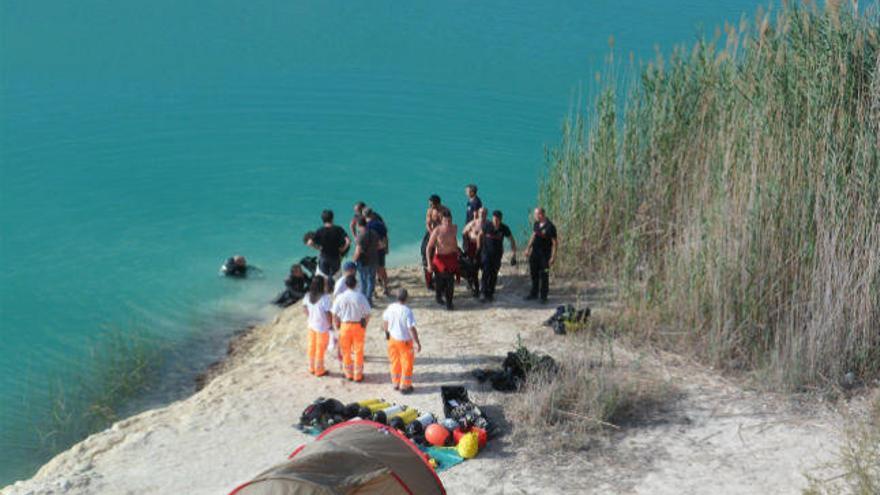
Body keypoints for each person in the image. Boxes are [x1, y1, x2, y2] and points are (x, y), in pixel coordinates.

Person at [331, 275, 372, 382]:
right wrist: (365, 325)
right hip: (358, 325)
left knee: (346, 351)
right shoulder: (360, 297)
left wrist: (337, 325)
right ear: (356, 284)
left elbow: (334, 314)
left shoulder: (340, 297)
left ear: (346, 285)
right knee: (358, 351)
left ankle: (348, 374)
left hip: (344, 326)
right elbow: (368, 314)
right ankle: (358, 375)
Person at [382, 289, 421, 394]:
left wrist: (386, 333)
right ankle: (405, 386)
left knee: (395, 361)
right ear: (406, 298)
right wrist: (417, 342)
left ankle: (395, 383)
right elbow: (411, 328)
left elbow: (385, 321)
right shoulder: (407, 311)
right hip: (404, 342)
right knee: (407, 363)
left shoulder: (390, 307)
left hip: (392, 339)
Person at [480, 210, 517, 302]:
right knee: (486, 272)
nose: (495, 222)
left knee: (494, 274)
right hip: (486, 253)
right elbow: (479, 236)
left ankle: (490, 293)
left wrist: (514, 254)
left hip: (497, 255)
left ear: (501, 220)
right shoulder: (487, 226)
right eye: (494, 219)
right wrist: (478, 248)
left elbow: (511, 240)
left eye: (497, 220)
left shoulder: (504, 228)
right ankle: (483, 293)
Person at [426, 208, 459, 310]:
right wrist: (429, 264)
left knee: (450, 280)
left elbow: (454, 241)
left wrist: (457, 252)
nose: (448, 223)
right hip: (440, 258)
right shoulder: (437, 231)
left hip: (451, 256)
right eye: (446, 221)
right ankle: (438, 296)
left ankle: (449, 303)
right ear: (442, 220)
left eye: (450, 220)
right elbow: (429, 248)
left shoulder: (454, 228)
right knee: (441, 280)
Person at [524, 207, 558, 303]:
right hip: (535, 254)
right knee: (534, 274)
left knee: (544, 275)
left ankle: (544, 297)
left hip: (545, 255)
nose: (534, 216)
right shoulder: (536, 224)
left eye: (536, 214)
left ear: (541, 214)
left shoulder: (550, 227)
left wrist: (553, 256)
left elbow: (555, 242)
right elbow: (533, 235)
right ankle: (534, 293)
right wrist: (528, 248)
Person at [307, 210, 350, 283]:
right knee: (337, 279)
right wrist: (343, 249)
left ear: (322, 220)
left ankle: (323, 292)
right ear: (332, 218)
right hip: (335, 257)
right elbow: (348, 241)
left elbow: (309, 243)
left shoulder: (320, 230)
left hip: (324, 257)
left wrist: (318, 248)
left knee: (322, 278)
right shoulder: (338, 229)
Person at [302, 276, 332, 377]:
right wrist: (330, 325)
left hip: (311, 325)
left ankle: (311, 367)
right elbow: (328, 314)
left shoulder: (307, 296)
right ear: (322, 285)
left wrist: (310, 316)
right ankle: (319, 370)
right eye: (325, 283)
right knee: (320, 348)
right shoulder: (325, 298)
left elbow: (305, 308)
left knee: (312, 346)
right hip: (322, 327)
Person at [353, 217, 381, 306]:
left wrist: (354, 260)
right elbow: (380, 245)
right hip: (374, 259)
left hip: (363, 261)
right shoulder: (374, 233)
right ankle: (369, 300)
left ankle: (362, 301)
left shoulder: (360, 236)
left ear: (358, 225)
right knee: (371, 280)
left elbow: (357, 251)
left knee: (362, 281)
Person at [363, 207, 390, 296]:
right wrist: (386, 247)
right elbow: (385, 237)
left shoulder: (366, 226)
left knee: (371, 271)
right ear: (372, 214)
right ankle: (386, 288)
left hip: (371, 251)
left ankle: (373, 291)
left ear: (364, 215)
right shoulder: (380, 224)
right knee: (381, 269)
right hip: (380, 249)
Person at [461, 207, 488, 297]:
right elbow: (463, 232)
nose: (482, 215)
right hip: (473, 249)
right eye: (481, 213)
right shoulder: (473, 223)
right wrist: (465, 245)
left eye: (484, 213)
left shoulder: (489, 223)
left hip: (484, 248)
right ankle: (475, 289)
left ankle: (484, 288)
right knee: (473, 270)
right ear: (478, 213)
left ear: (486, 214)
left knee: (485, 268)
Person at [420, 195, 444, 290]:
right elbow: (427, 224)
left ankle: (439, 279)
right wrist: (432, 234)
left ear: (438, 204)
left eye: (432, 204)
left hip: (441, 235)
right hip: (431, 234)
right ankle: (429, 283)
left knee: (440, 257)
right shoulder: (430, 210)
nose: (430, 206)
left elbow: (447, 224)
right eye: (429, 204)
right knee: (425, 253)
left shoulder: (444, 211)